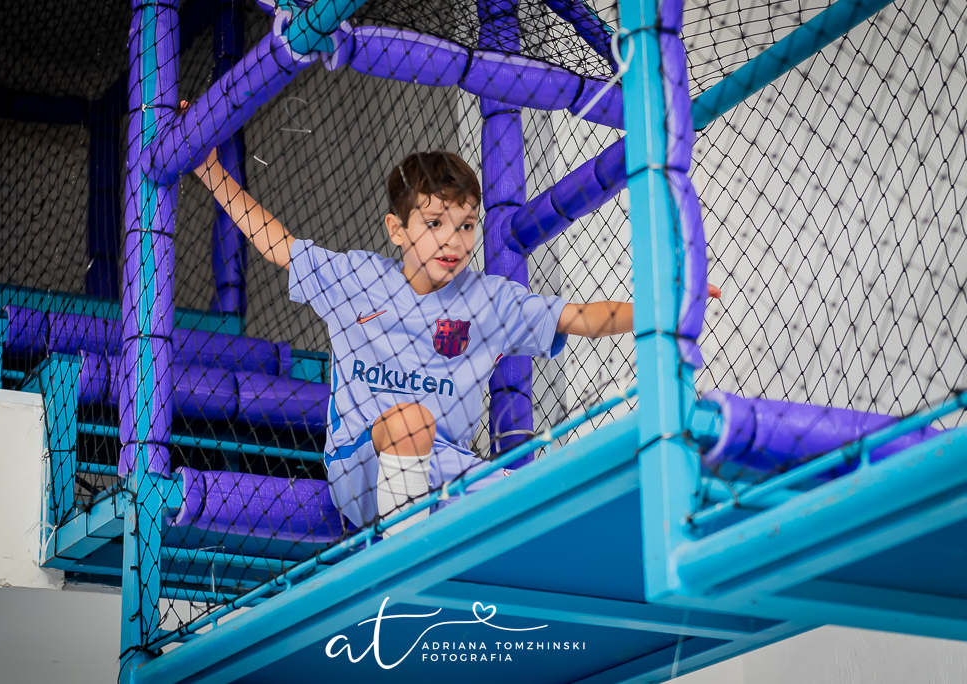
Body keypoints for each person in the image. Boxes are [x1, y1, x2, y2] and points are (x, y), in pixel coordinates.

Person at [194, 148, 721, 537]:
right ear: (397, 230)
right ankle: (402, 555)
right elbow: (278, 244)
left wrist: (667, 302)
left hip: (449, 471)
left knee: (538, 498)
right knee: (410, 422)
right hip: (361, 466)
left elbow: (579, 316)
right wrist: (211, 170)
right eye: (434, 223)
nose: (453, 240)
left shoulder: (489, 301)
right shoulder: (356, 279)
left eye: (467, 226)